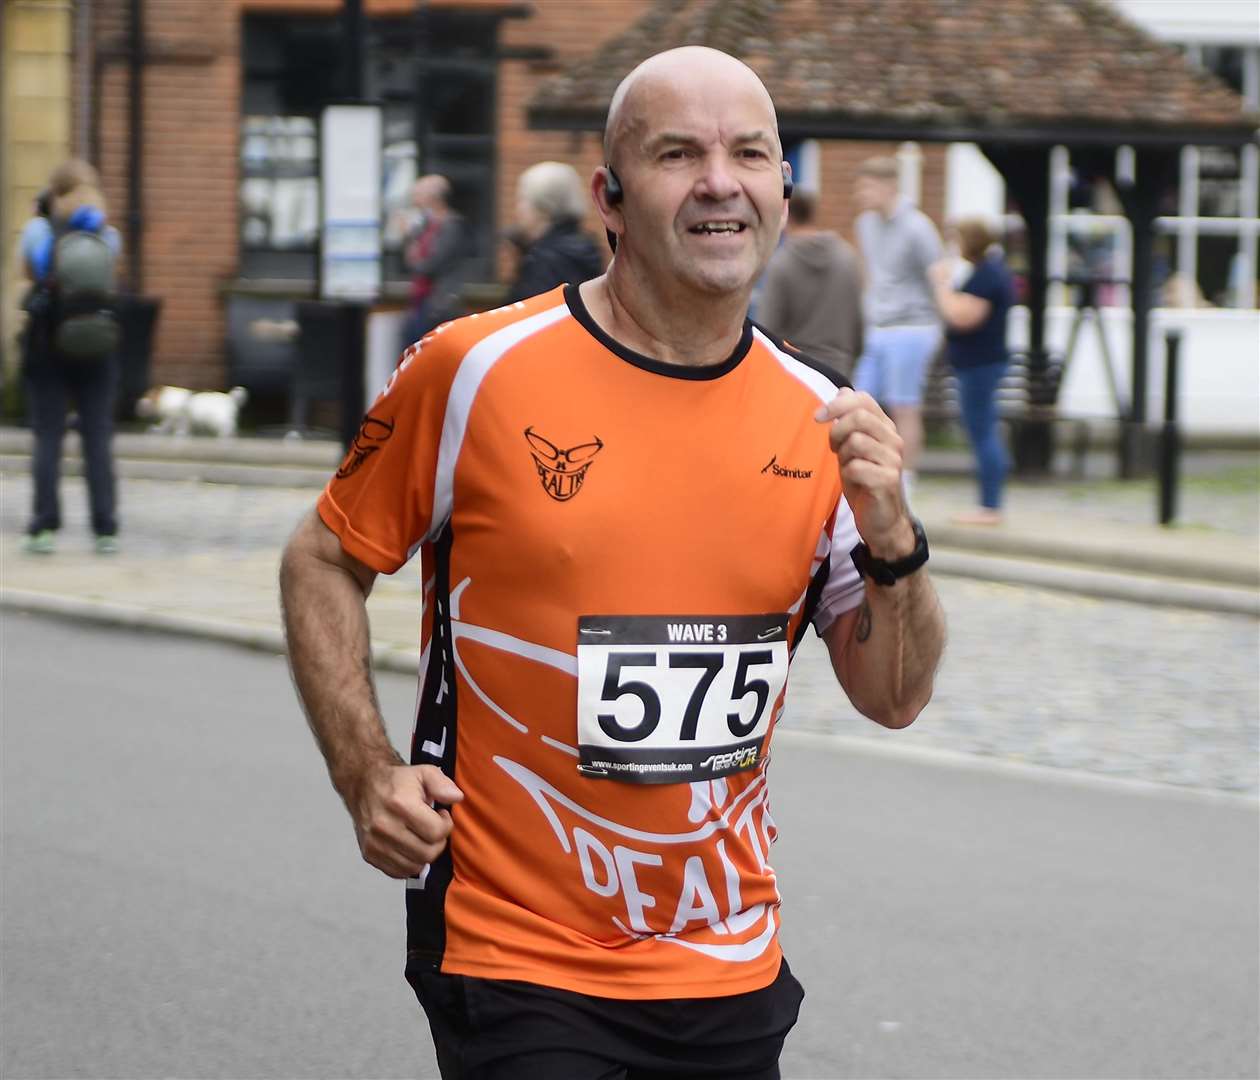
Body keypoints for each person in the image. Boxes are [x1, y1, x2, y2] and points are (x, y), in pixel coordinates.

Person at [280, 46, 944, 1080]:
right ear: (612, 197)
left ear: (777, 189)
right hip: (516, 952)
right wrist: (364, 770)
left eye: (750, 154)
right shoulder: (475, 371)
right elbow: (324, 556)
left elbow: (894, 696)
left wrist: (896, 536)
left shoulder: (821, 410)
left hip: (727, 960)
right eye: (678, 153)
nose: (720, 181)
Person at [20, 160, 122, 556]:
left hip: (48, 346)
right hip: (98, 347)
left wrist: (41, 216)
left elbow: (30, 272)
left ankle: (44, 526)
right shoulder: (107, 234)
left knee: (48, 435)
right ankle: (105, 527)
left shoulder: (38, 230)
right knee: (97, 436)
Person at [851, 156, 944, 501]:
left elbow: (938, 278)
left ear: (889, 186)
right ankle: (860, 472)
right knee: (859, 401)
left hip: (912, 328)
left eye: (868, 187)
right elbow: (869, 274)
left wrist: (942, 330)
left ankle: (907, 481)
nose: (861, 194)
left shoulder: (918, 227)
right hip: (879, 326)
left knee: (905, 406)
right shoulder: (865, 225)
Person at [929, 217, 1017, 524]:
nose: (955, 245)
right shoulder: (985, 273)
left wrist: (941, 284)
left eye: (958, 238)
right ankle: (989, 503)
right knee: (981, 428)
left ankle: (990, 506)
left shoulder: (988, 276)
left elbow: (961, 316)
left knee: (982, 430)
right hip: (974, 364)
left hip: (981, 365)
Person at [756, 188, 864, 379]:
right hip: (840, 371)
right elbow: (859, 323)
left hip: (795, 374)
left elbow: (767, 329)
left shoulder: (781, 264)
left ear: (785, 215)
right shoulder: (847, 257)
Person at [505, 161, 605, 303]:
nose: (517, 209)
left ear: (543, 207)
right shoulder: (584, 250)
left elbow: (532, 315)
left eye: (522, 199)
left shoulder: (544, 261)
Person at [399, 174, 473, 349]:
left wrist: (414, 254)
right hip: (421, 301)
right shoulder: (426, 226)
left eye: (419, 196)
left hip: (438, 305)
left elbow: (430, 264)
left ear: (434, 198)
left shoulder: (451, 226)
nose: (415, 201)